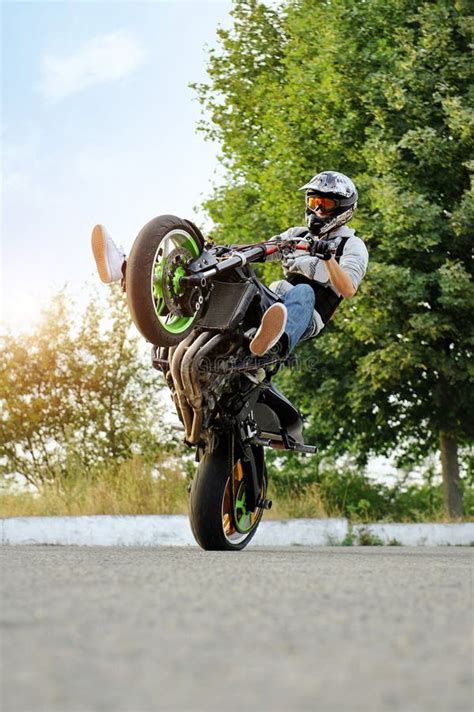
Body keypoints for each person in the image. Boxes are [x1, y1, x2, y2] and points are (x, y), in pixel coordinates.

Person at [91, 170, 368, 356]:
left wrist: (328, 257)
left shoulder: (351, 245)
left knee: (304, 292)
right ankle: (130, 269)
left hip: (306, 316)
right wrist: (221, 254)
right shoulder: (296, 235)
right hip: (275, 301)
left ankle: (276, 345)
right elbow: (263, 249)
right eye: (314, 202)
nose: (318, 210)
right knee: (238, 275)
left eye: (326, 205)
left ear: (343, 210)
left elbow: (348, 289)